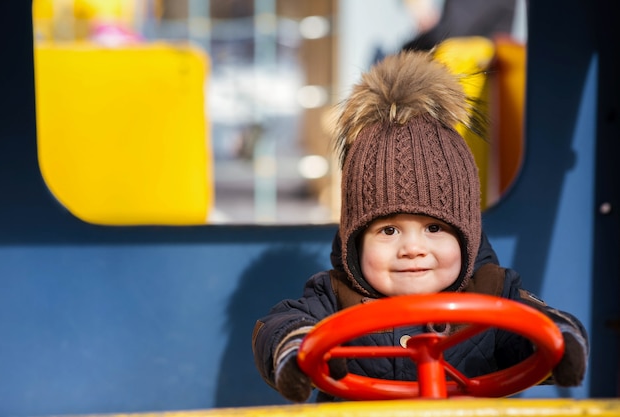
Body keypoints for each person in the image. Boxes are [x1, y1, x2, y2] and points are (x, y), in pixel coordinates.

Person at [251, 50, 588, 403]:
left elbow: (544, 324)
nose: (413, 248)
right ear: (355, 242)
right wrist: (298, 353)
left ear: (465, 237)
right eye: (389, 231)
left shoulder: (493, 293)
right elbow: (277, 329)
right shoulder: (334, 300)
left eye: (434, 229)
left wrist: (560, 344)